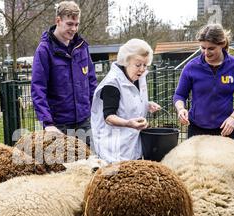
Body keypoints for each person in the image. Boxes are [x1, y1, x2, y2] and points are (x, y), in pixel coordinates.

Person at [31, 1, 97, 145]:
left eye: (76, 24)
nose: (74, 29)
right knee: (63, 166)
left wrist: (95, 111)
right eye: (69, 24)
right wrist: (47, 123)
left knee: (89, 163)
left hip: (84, 121)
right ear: (58, 21)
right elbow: (38, 89)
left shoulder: (82, 47)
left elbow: (91, 81)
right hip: (59, 125)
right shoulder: (44, 50)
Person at [173, 24, 234, 140]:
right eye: (203, 48)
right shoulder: (191, 67)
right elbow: (179, 95)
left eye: (211, 48)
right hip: (197, 129)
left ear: (222, 44)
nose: (206, 53)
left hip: (225, 129)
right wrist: (181, 109)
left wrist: (233, 118)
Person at [90, 39, 161, 163]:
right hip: (114, 149)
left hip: (133, 144)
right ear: (126, 61)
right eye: (138, 65)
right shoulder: (112, 84)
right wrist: (129, 123)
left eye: (145, 65)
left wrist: (146, 104)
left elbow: (131, 99)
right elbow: (109, 117)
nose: (142, 69)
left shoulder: (139, 77)